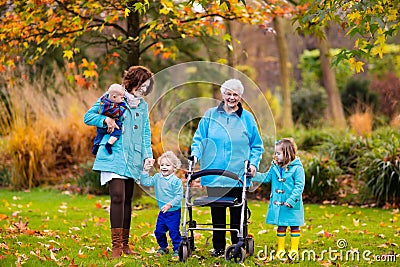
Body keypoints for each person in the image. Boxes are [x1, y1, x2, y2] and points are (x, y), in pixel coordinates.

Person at [84, 66, 155, 259]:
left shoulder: (142, 106)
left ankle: (125, 244)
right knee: (117, 197)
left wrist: (148, 155)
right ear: (134, 81)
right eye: (142, 85)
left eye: (147, 87)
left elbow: (145, 132)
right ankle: (115, 247)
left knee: (128, 200)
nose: (144, 90)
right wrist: (106, 119)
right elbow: (88, 117)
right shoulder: (113, 95)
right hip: (113, 154)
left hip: (133, 156)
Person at [190, 79, 264, 257]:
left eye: (235, 94)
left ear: (240, 97)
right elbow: (199, 139)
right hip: (213, 173)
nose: (231, 98)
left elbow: (257, 146)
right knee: (217, 212)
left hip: (238, 174)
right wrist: (195, 155)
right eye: (228, 94)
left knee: (238, 212)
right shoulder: (210, 115)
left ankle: (237, 245)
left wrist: (253, 164)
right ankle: (219, 247)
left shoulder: (247, 118)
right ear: (222, 95)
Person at [253, 138, 305, 260]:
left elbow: (299, 186)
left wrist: (291, 200)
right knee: (281, 226)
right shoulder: (275, 167)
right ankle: (280, 249)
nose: (276, 155)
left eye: (278, 153)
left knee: (294, 226)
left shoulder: (297, 168)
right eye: (276, 153)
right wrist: (253, 175)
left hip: (292, 204)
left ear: (287, 153)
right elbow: (266, 178)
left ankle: (294, 249)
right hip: (280, 205)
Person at [140, 151, 183, 258]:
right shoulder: (157, 177)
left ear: (174, 167)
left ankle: (177, 249)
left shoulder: (176, 181)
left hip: (173, 212)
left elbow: (179, 196)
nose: (164, 167)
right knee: (159, 231)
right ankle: (163, 247)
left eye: (167, 165)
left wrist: (170, 204)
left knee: (174, 232)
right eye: (162, 165)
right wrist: (145, 170)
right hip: (163, 212)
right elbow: (146, 182)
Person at [91, 84, 127, 155]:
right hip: (113, 125)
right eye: (122, 98)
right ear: (114, 97)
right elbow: (119, 114)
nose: (123, 100)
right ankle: (109, 144)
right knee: (117, 132)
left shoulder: (103, 101)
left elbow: (99, 111)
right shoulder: (115, 106)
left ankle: (96, 145)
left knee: (99, 135)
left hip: (101, 126)